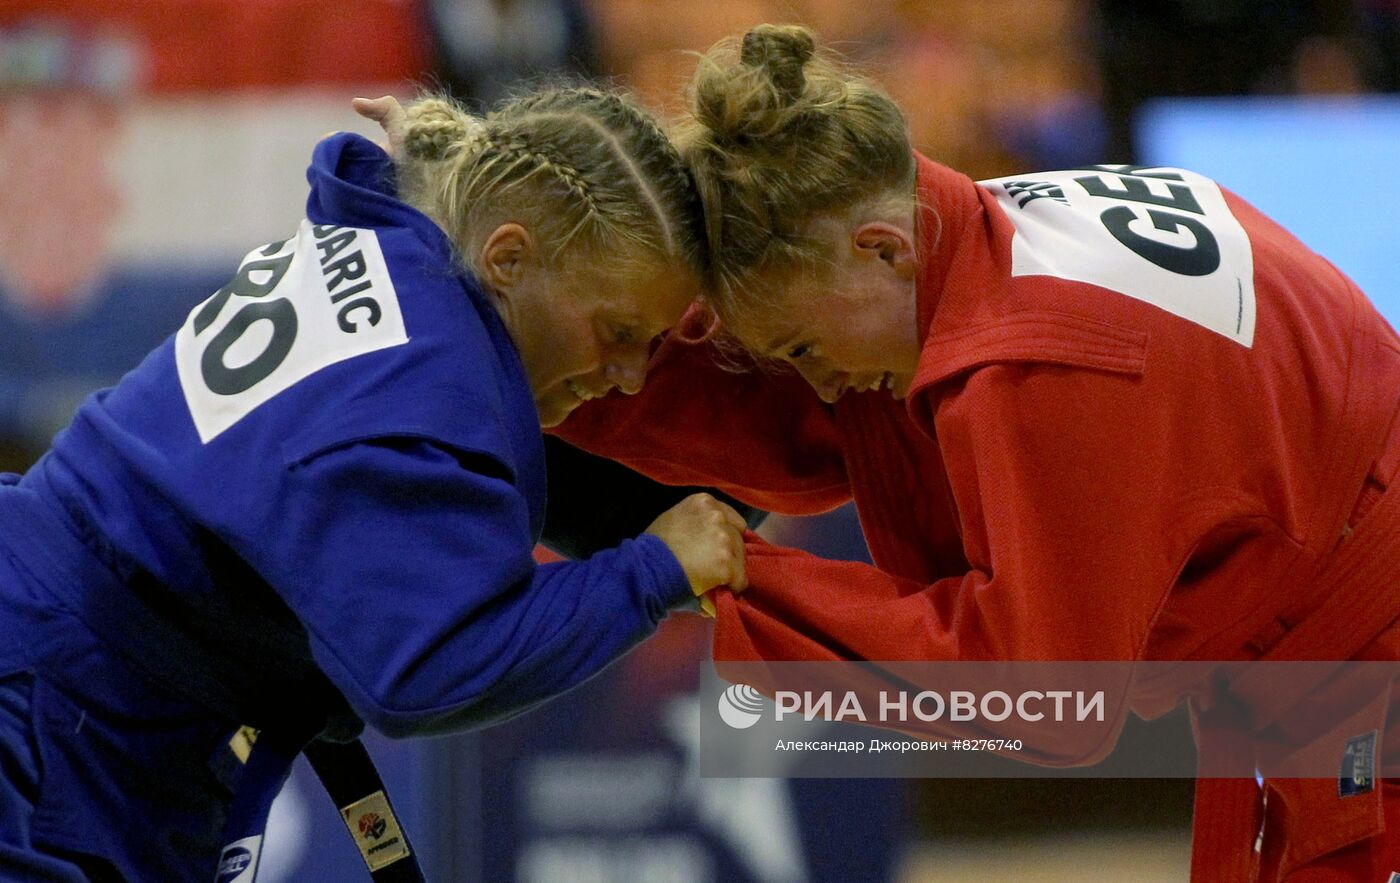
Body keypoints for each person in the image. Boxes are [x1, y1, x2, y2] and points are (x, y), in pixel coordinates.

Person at [544, 24, 1400, 883]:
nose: (826, 385)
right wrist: (550, 371)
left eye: (803, 349)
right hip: (1319, 616)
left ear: (881, 249)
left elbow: (1051, 699)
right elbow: (800, 427)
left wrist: (737, 577)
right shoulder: (967, 227)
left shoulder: (1045, 369)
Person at [0, 85, 750, 881]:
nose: (631, 377)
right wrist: (653, 571)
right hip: (60, 691)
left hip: (84, 664)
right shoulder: (427, 383)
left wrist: (436, 153)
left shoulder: (393, 238)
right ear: (506, 258)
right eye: (617, 333)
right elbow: (427, 670)